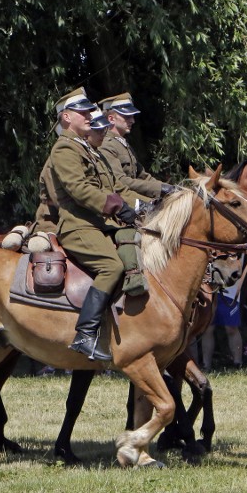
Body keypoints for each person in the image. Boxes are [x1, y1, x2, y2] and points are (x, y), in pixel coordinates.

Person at [48, 87, 149, 361]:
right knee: (111, 266)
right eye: (82, 112)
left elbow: (117, 186)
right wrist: (117, 207)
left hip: (99, 224)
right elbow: (79, 189)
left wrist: (141, 207)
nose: (89, 116)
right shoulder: (65, 148)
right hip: (78, 226)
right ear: (66, 117)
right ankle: (85, 335)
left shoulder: (92, 151)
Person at [97, 92, 172, 199]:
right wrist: (160, 188)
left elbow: (142, 175)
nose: (132, 120)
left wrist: (168, 188)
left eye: (132, 116)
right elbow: (120, 181)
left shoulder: (122, 143)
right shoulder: (106, 145)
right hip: (122, 202)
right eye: (126, 116)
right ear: (111, 119)